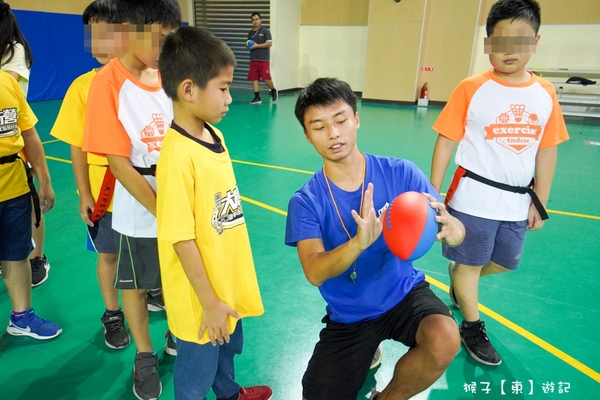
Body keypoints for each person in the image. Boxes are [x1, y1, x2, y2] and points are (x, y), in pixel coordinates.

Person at [285, 78, 465, 400]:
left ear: (356, 118)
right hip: (351, 315)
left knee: (445, 339)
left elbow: (451, 227)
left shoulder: (402, 174)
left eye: (340, 120)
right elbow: (314, 271)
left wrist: (454, 231)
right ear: (307, 135)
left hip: (403, 294)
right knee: (317, 394)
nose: (334, 134)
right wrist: (357, 243)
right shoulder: (306, 202)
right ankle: (368, 351)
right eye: (319, 126)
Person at [430, 0, 569, 367]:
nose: (509, 50)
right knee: (472, 266)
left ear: (536, 40)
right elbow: (446, 139)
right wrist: (433, 192)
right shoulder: (471, 87)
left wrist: (540, 201)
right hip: (473, 197)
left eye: (520, 40)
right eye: (500, 39)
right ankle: (472, 325)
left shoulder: (545, 93)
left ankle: (460, 273)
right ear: (488, 41)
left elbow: (547, 150)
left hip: (516, 201)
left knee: (506, 262)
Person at [157, 26, 272, 400]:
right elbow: (179, 237)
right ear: (189, 89)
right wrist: (209, 302)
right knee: (196, 371)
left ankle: (230, 393)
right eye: (222, 88)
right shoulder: (176, 157)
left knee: (227, 349)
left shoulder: (214, 136)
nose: (228, 98)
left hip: (225, 278)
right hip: (200, 296)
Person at [82, 0, 181, 398]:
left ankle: (180, 331)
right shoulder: (107, 83)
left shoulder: (171, 72)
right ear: (130, 29)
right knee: (137, 285)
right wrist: (164, 212)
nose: (164, 47)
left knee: (180, 277)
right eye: (158, 38)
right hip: (139, 207)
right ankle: (144, 355)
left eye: (169, 38)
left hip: (178, 195)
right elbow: (119, 165)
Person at [50, 0, 130, 350]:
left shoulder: (147, 83)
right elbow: (77, 147)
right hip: (105, 192)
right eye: (92, 34)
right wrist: (84, 193)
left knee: (152, 254)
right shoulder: (81, 88)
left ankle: (155, 295)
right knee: (109, 254)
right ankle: (113, 314)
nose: (98, 43)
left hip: (144, 187)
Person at [0, 70, 61, 340]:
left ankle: (21, 318)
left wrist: (44, 179)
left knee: (16, 252)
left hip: (14, 186)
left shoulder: (7, 82)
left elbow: (30, 134)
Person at [0, 0, 50, 286]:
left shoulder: (14, 51)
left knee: (29, 200)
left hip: (14, 133)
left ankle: (37, 256)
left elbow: (8, 84)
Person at [247, 12, 277, 104]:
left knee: (266, 78)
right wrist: (249, 46)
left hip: (263, 59)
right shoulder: (250, 33)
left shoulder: (265, 31)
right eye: (253, 20)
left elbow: (269, 43)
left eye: (256, 19)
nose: (255, 21)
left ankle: (273, 90)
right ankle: (257, 97)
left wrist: (257, 46)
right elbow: (249, 44)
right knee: (254, 78)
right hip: (253, 59)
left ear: (260, 20)